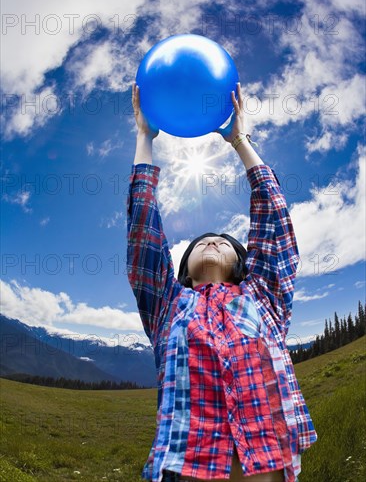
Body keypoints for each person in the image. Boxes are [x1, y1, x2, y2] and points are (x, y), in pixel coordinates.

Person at [126, 82, 317, 482]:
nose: (211, 240)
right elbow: (144, 232)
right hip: (182, 469)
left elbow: (274, 221)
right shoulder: (167, 305)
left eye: (224, 242)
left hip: (268, 468)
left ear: (240, 264)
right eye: (199, 243)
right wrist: (144, 136)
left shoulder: (265, 297)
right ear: (184, 268)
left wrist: (240, 141)